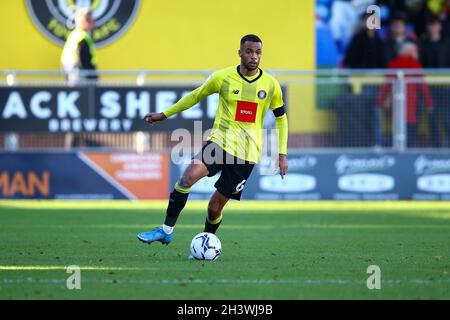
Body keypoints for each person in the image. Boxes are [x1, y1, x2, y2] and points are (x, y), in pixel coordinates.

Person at [137, 34, 289, 249]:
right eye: (249, 51)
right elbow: (195, 95)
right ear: (240, 53)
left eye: (258, 52)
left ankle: (205, 243)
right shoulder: (223, 77)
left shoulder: (271, 85)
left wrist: (282, 154)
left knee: (214, 208)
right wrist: (165, 114)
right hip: (219, 144)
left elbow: (281, 118)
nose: (254, 56)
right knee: (186, 179)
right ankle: (166, 230)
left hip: (247, 155)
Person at [377, 41, 434, 147]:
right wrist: (429, 103)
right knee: (410, 137)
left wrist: (380, 101)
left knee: (397, 134)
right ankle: (407, 157)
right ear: (411, 52)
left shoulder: (393, 64)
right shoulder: (415, 65)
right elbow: (423, 87)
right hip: (411, 107)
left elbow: (386, 85)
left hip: (396, 106)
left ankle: (397, 153)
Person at [419, 17, 450, 147]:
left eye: (435, 25)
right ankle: (435, 145)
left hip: (445, 87)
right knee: (431, 116)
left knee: (446, 117)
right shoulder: (423, 44)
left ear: (440, 27)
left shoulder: (447, 44)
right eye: (431, 25)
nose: (433, 28)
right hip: (429, 87)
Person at [61, 8, 98, 85]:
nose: (94, 24)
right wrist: (92, 76)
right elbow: (84, 60)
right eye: (92, 21)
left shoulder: (75, 35)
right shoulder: (82, 37)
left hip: (73, 74)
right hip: (80, 76)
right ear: (85, 21)